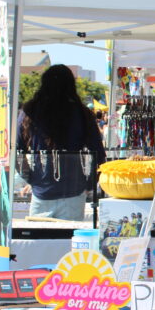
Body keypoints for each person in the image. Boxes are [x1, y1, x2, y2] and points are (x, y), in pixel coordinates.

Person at [17, 64, 106, 221]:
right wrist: (89, 184)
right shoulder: (82, 113)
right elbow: (98, 154)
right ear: (71, 85)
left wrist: (31, 178)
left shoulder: (30, 111)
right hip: (73, 188)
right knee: (70, 242)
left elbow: (18, 151)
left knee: (39, 243)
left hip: (43, 188)